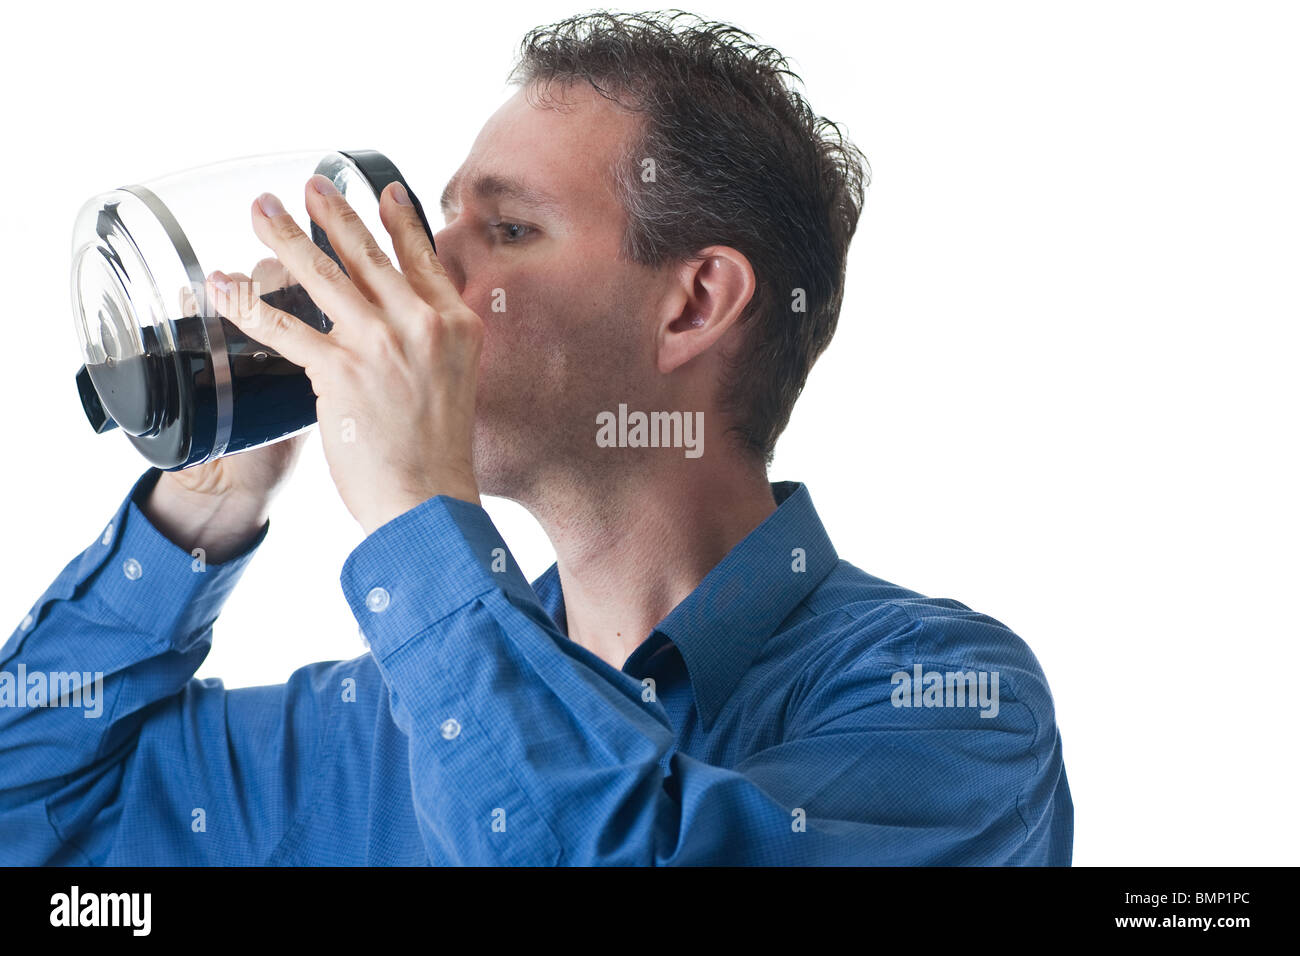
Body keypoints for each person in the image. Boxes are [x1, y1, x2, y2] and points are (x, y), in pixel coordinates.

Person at [0, 11, 1072, 865]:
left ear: (694, 304)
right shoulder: (381, 725)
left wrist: (419, 515)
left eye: (506, 229)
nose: (422, 270)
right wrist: (208, 503)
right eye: (438, 216)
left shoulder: (949, 706)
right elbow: (27, 813)